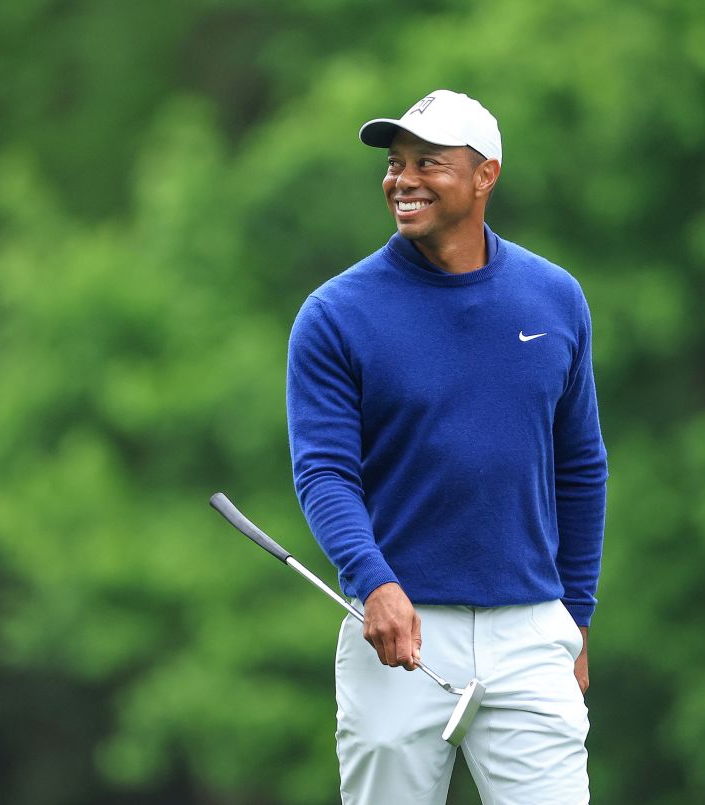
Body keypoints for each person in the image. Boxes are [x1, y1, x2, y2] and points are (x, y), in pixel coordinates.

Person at [285, 89, 608, 804]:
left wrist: (576, 614)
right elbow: (324, 471)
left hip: (530, 627)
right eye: (396, 163)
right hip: (399, 629)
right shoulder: (336, 314)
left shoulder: (555, 298)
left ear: (484, 175)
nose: (402, 179)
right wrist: (374, 581)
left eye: (428, 162)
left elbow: (581, 466)